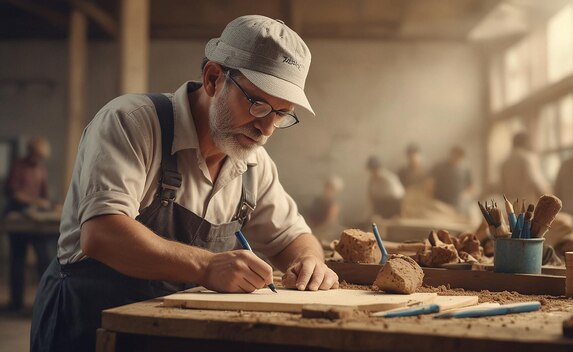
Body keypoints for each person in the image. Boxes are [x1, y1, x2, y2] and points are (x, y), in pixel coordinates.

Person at [31, 15, 338, 351]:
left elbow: (290, 236)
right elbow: (101, 233)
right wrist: (206, 266)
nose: (266, 128)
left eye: (281, 113)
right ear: (213, 78)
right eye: (258, 104)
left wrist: (308, 262)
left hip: (170, 331)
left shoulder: (254, 164)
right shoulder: (131, 123)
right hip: (88, 324)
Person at [3, 137, 56, 312]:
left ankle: (44, 301)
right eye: (37, 155)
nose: (39, 159)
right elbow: (13, 192)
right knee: (18, 262)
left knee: (44, 259)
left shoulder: (40, 168)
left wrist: (51, 205)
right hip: (20, 218)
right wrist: (36, 202)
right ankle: (15, 303)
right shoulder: (19, 166)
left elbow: (45, 195)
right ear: (31, 152)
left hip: (36, 221)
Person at [500, 132, 551, 203]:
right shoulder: (528, 158)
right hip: (527, 206)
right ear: (526, 143)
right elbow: (537, 184)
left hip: (510, 206)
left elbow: (501, 187)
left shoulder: (505, 163)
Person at [430, 146, 474, 211]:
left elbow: (471, 187)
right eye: (454, 155)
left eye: (459, 156)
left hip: (458, 204)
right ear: (451, 154)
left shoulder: (465, 170)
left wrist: (465, 195)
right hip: (440, 203)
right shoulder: (439, 167)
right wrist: (431, 197)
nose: (456, 158)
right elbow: (430, 183)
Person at [308, 176, 345, 244]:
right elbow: (311, 215)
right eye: (327, 187)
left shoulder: (334, 204)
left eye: (331, 188)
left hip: (327, 232)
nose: (328, 190)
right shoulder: (318, 200)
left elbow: (329, 222)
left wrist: (316, 231)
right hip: (315, 228)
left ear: (335, 191)